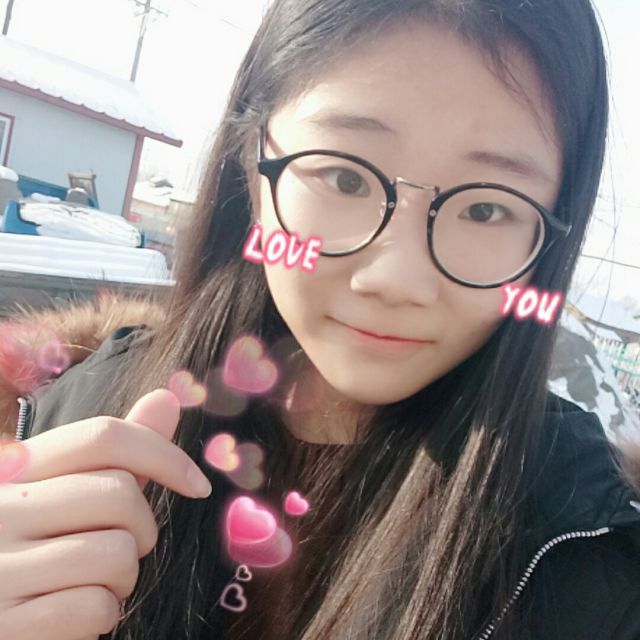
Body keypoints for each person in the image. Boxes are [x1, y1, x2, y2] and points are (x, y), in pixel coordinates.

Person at [1, 0, 640, 638]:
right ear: (250, 166)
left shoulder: (594, 566)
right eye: (345, 178)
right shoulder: (72, 419)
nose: (396, 279)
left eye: (485, 210)